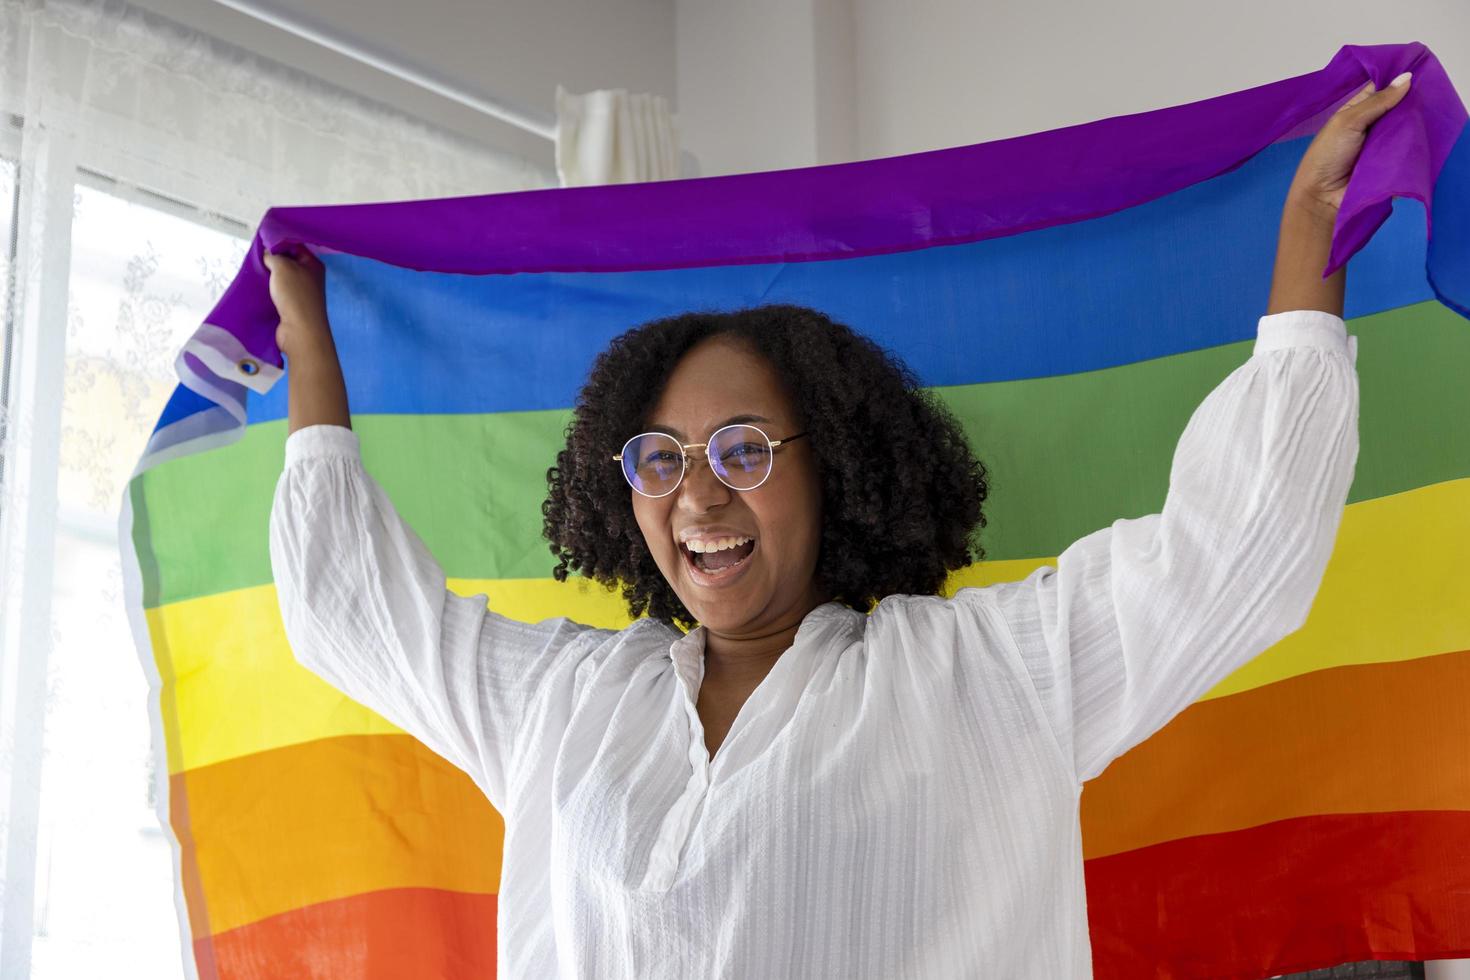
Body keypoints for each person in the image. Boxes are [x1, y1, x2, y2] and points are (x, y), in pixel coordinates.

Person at [265, 76, 1410, 979]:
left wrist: (1306, 233)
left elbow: (1238, 557)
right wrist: (311, 347)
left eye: (745, 451)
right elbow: (349, 610)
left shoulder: (988, 677)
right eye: (660, 461)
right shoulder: (567, 703)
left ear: (840, 476)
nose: (698, 496)